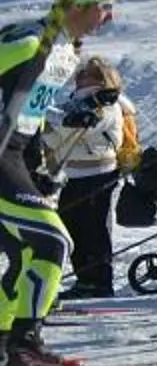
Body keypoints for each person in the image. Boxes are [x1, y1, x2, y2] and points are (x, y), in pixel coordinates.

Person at [0, 0, 117, 366]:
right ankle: (24, 345)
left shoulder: (65, 51)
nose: (109, 17)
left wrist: (56, 129)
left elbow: (24, 109)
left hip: (15, 155)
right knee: (52, 242)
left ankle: (6, 342)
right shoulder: (31, 41)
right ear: (80, 5)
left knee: (27, 253)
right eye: (105, 7)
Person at [47, 54, 133, 298]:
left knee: (94, 228)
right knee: (71, 226)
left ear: (102, 79)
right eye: (80, 74)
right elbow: (60, 137)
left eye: (87, 75)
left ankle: (100, 283)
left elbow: (85, 127)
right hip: (73, 173)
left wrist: (52, 120)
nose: (80, 78)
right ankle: (86, 280)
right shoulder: (74, 103)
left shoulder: (108, 103)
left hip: (99, 171)